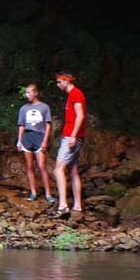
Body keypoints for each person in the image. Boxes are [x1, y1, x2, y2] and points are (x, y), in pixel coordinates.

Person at [52, 71, 87, 216]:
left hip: (71, 137)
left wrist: (73, 136)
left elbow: (80, 115)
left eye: (60, 82)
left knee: (58, 169)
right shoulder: (71, 95)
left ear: (67, 81)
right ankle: (77, 205)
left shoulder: (75, 93)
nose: (58, 84)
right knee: (73, 171)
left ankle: (63, 205)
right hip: (72, 136)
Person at [16, 83, 53, 202]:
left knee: (42, 166)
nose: (27, 95)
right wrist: (19, 141)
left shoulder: (44, 107)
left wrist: (45, 141)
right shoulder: (23, 108)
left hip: (39, 136)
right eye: (26, 92)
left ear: (35, 93)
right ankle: (33, 192)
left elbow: (48, 125)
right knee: (29, 166)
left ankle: (48, 194)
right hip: (27, 136)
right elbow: (21, 126)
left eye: (29, 92)